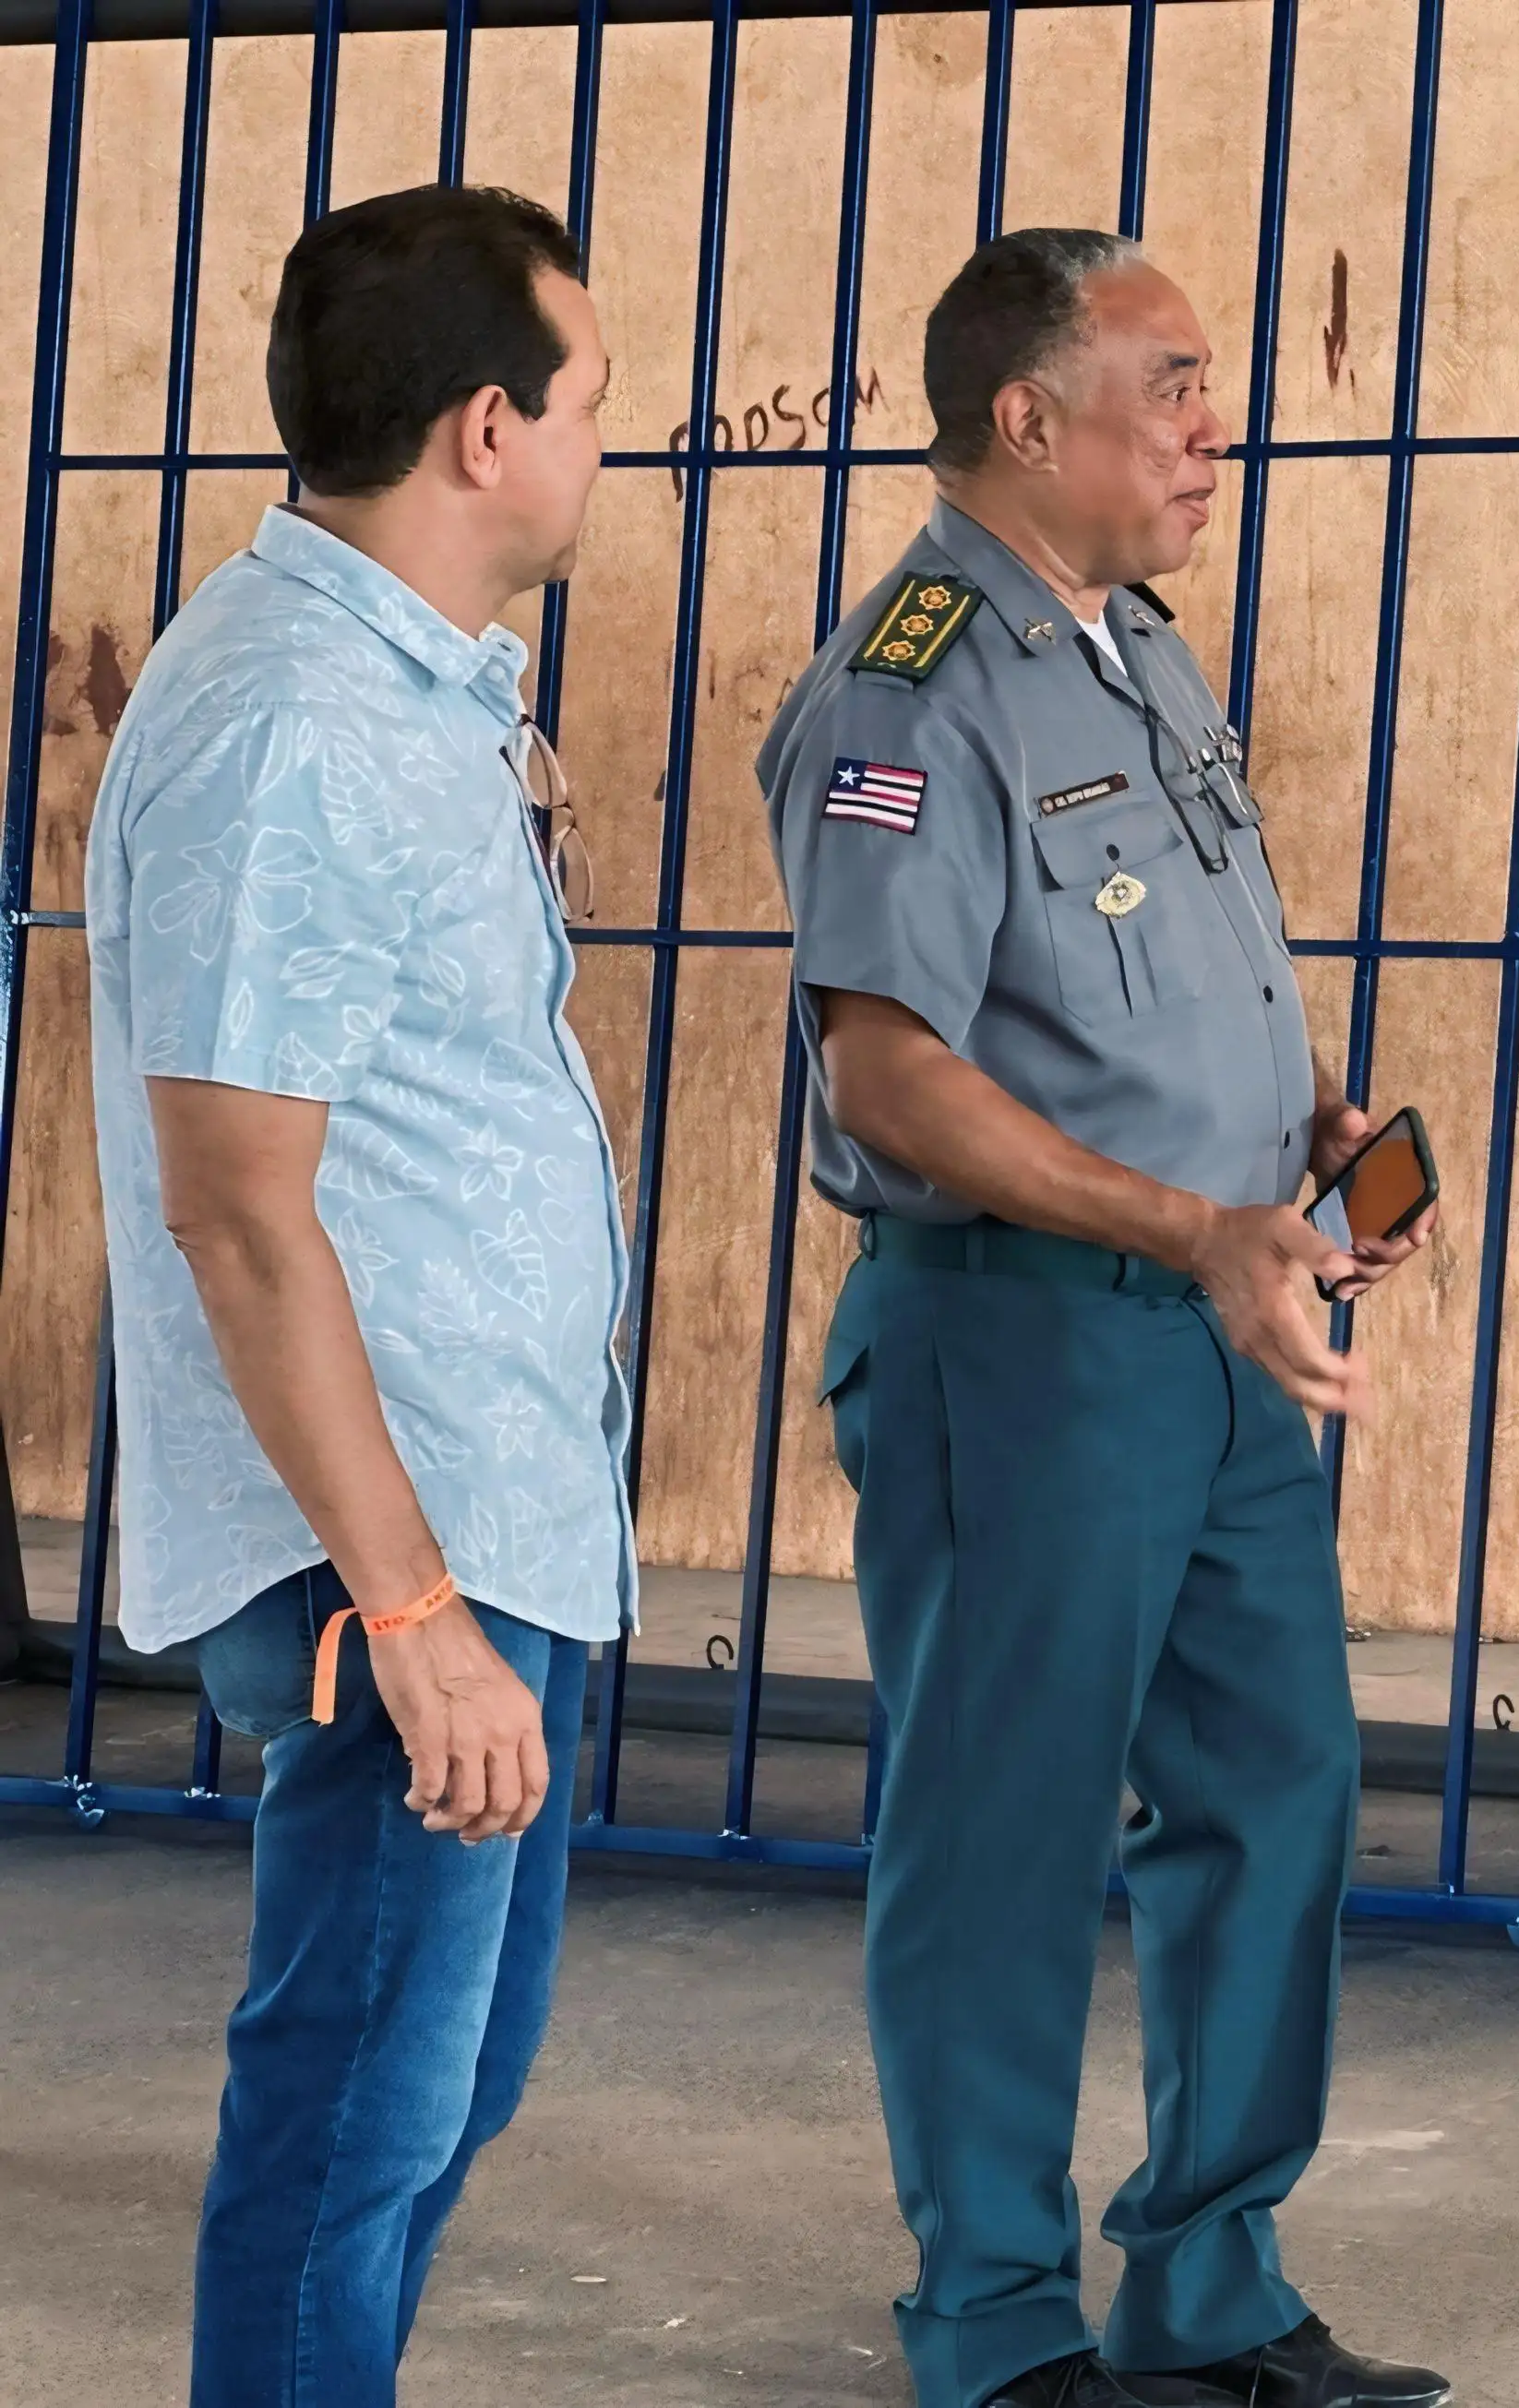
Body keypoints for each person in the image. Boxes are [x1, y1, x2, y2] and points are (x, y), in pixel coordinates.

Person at [756, 230, 1445, 2408]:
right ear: (1026, 418)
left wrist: (1301, 1131)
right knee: (1007, 1832)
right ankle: (993, 2323)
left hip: (1212, 1324)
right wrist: (1186, 1216)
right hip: (1024, 1346)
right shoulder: (914, 677)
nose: (1213, 428)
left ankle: (1211, 2283)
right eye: (1172, 385)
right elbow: (886, 1069)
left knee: (1277, 1795)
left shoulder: (1132, 648)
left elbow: (1134, 979)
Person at [82, 185, 632, 2406]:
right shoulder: (294, 728)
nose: (621, 441)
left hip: (486, 1510)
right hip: (396, 1550)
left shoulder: (403, 697)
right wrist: (412, 1621)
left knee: (435, 2106)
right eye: (592, 400)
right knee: (352, 2124)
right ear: (486, 431)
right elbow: (237, 1207)